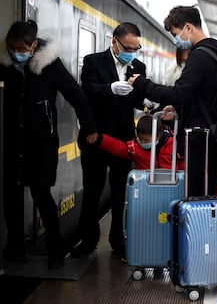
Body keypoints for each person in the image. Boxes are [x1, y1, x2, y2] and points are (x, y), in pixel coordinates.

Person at [0, 20, 98, 269]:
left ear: (33, 46)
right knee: (10, 196)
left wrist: (89, 128)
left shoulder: (50, 66)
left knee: (41, 195)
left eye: (20, 48)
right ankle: (14, 247)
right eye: (12, 48)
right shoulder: (7, 67)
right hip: (13, 143)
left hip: (40, 145)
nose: (16, 53)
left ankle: (55, 249)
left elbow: (77, 96)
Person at [130, 6, 217, 197]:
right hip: (214, 135)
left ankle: (198, 227)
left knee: (197, 195)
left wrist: (143, 84)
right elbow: (201, 96)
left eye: (176, 34)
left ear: (188, 27)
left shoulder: (199, 57)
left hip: (201, 139)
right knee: (207, 192)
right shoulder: (216, 54)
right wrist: (178, 110)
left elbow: (179, 93)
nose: (176, 39)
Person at [70, 22, 146, 258]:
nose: (132, 53)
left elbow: (138, 99)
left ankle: (117, 240)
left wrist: (147, 102)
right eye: (128, 48)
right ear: (114, 42)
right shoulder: (93, 62)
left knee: (119, 193)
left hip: (123, 141)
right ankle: (88, 239)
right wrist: (110, 88)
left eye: (136, 48)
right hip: (95, 138)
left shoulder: (138, 66)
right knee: (92, 190)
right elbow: (88, 91)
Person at [97, 115, 184, 170]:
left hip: (171, 184)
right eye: (140, 138)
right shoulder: (135, 147)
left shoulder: (174, 144)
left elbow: (184, 164)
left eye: (146, 140)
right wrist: (100, 139)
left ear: (158, 136)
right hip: (146, 186)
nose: (142, 142)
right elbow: (117, 147)